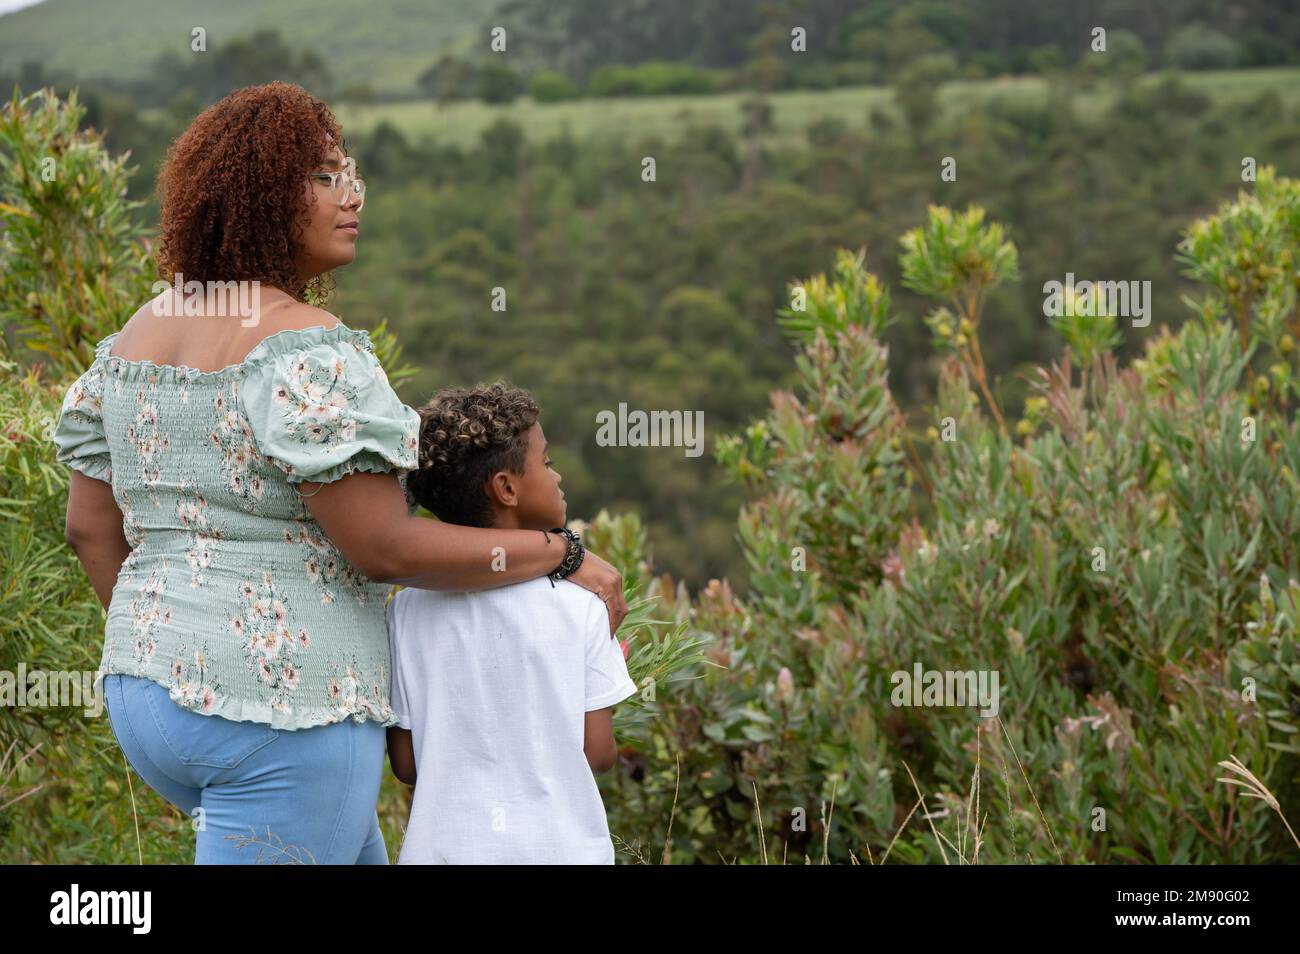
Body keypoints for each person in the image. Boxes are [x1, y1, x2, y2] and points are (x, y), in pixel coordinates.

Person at [52, 82, 627, 865]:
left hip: (147, 696)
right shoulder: (304, 345)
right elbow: (383, 548)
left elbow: (89, 526)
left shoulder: (134, 337)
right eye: (322, 176)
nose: (350, 193)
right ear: (257, 196)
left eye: (348, 172)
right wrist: (557, 554)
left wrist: (180, 653)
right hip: (283, 710)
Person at [386, 384, 638, 864]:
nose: (557, 475)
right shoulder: (583, 603)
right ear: (506, 488)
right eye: (547, 463)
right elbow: (599, 753)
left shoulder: (405, 611)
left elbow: (406, 763)